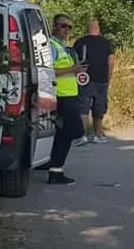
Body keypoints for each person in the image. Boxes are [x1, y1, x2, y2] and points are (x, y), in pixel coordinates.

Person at [43, 14, 87, 185]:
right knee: (75, 131)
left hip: (69, 95)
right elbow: (48, 72)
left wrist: (77, 70)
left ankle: (54, 167)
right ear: (54, 26)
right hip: (60, 96)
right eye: (63, 26)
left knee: (63, 133)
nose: (66, 30)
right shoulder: (52, 46)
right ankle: (53, 166)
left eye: (70, 27)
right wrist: (72, 69)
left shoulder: (64, 48)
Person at [72, 20, 115, 144]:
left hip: (84, 80)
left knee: (83, 108)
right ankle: (97, 134)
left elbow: (73, 59)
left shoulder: (80, 42)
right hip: (101, 80)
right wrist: (108, 77)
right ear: (98, 29)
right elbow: (111, 61)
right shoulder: (106, 43)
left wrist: (76, 74)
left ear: (88, 29)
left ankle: (82, 135)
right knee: (99, 107)